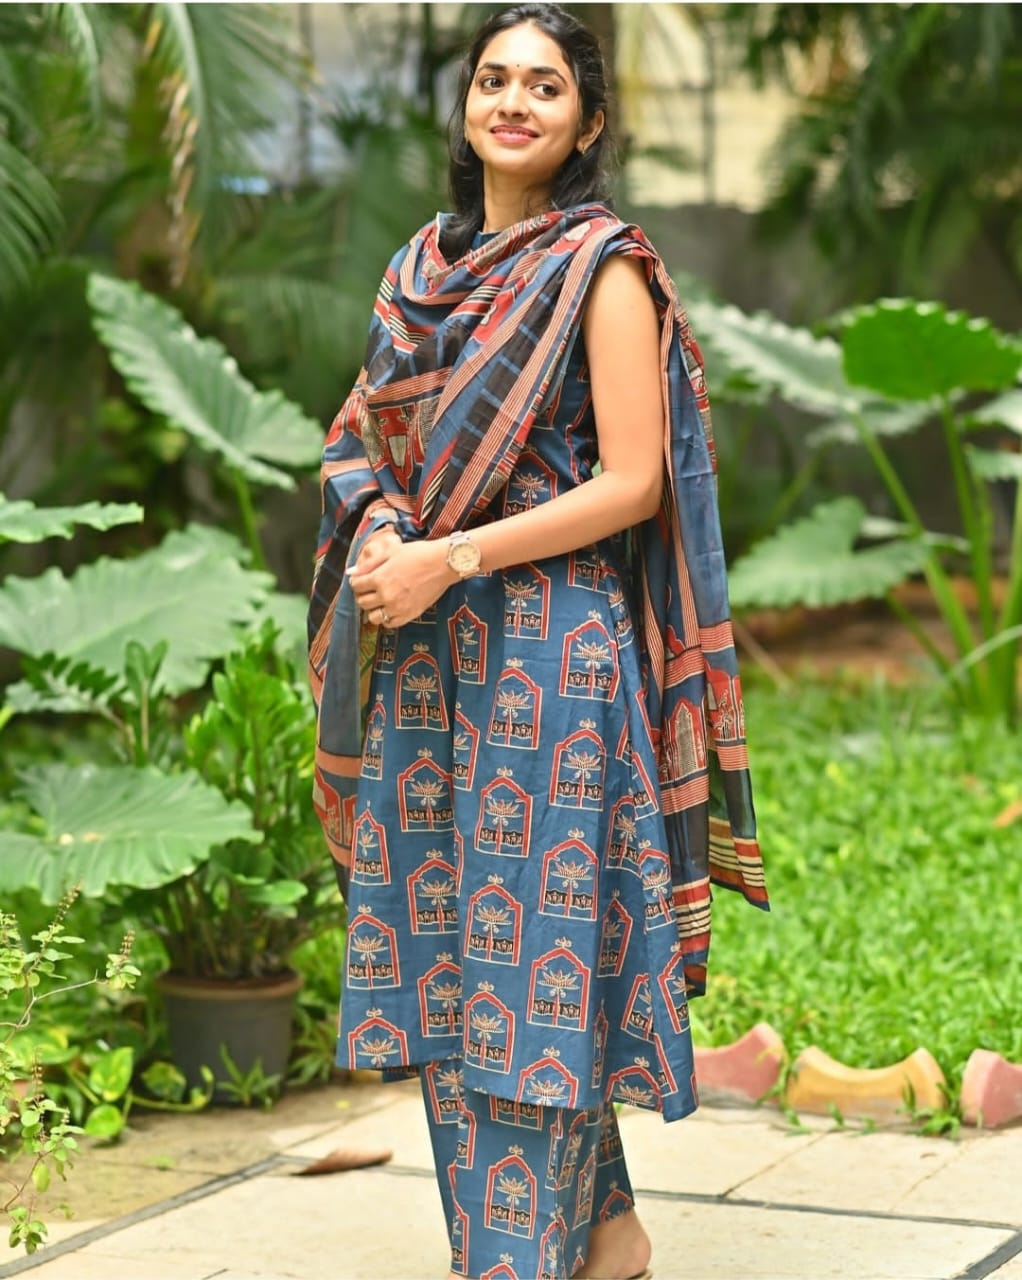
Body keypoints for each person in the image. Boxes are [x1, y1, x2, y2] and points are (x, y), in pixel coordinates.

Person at [307, 5, 768, 1277]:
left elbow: (632, 481)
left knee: (534, 958)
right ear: (466, 105)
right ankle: (606, 1235)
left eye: (545, 86)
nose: (513, 101)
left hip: (546, 652)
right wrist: (386, 535)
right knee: (454, 958)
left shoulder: (599, 269)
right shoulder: (421, 268)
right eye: (493, 79)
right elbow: (357, 439)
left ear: (587, 121)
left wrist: (449, 554)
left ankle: (507, 1259)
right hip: (423, 649)